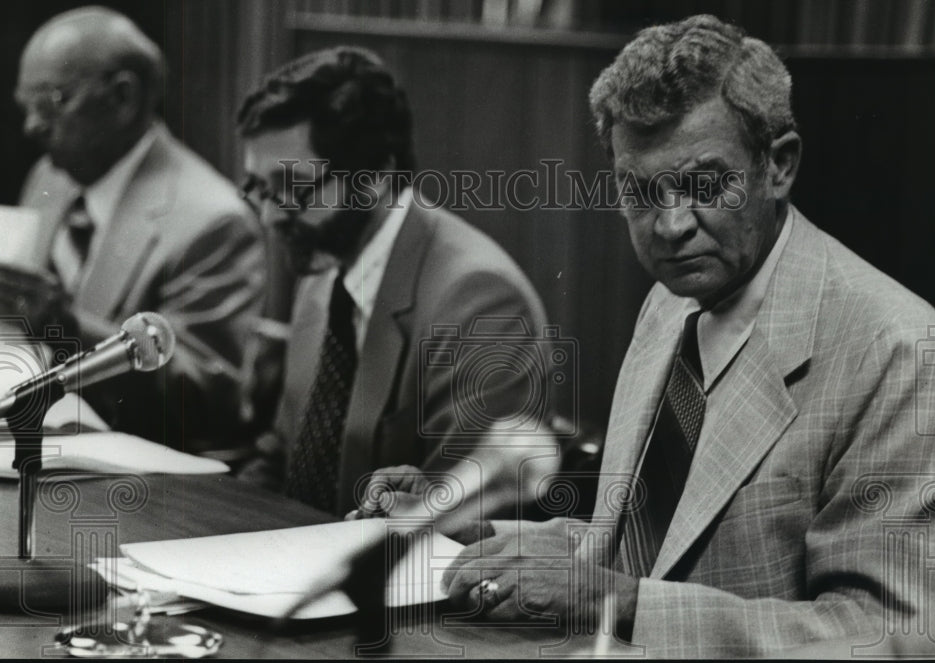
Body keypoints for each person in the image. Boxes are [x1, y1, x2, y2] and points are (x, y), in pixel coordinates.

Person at [441, 14, 935, 657]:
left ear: (778, 167)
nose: (669, 227)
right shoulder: (673, 301)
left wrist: (618, 601)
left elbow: (879, 635)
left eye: (702, 184)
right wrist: (489, 533)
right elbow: (664, 543)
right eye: (639, 192)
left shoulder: (900, 351)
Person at [235, 47, 550, 518]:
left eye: (293, 189)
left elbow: (461, 523)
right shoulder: (326, 269)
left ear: (376, 176)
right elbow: (283, 460)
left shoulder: (480, 301)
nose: (269, 216)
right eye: (259, 189)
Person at [11, 6, 264, 448]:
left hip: (144, 488)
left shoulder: (213, 219)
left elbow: (206, 406)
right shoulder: (49, 178)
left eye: (52, 101)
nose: (32, 127)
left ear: (123, 97)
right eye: (25, 107)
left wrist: (67, 326)